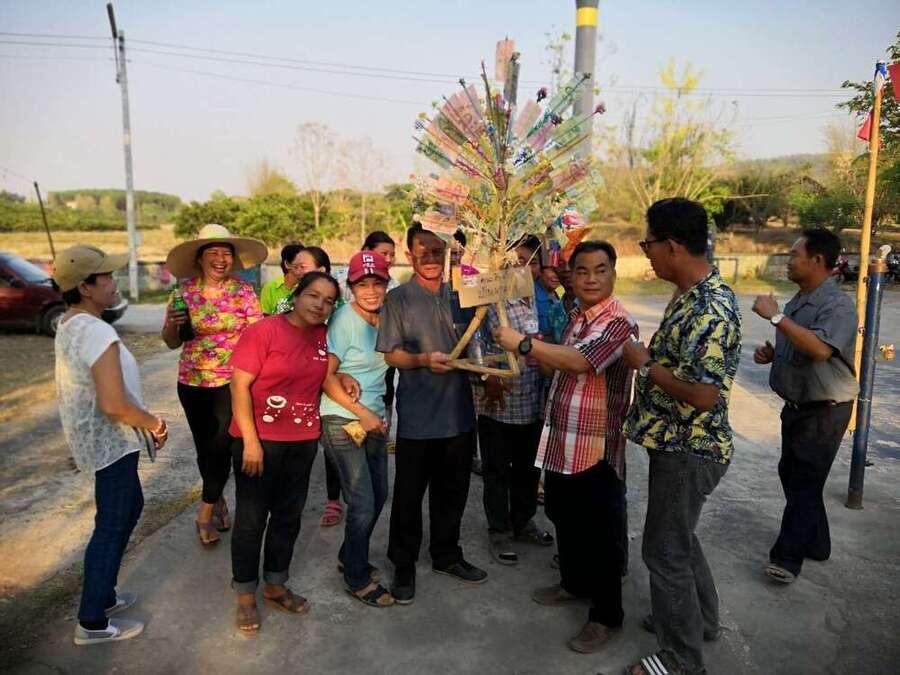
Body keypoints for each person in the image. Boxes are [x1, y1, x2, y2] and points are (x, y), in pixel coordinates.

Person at [495, 240, 636, 654]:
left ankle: (606, 617)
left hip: (595, 448)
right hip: (562, 439)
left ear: (614, 274)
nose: (591, 279)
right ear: (570, 276)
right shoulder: (577, 317)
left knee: (600, 534)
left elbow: (581, 362)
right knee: (565, 517)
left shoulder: (618, 322)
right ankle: (574, 584)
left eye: (600, 270)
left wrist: (524, 344)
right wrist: (540, 351)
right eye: (582, 271)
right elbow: (561, 362)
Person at [622, 198, 742, 675]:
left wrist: (645, 365)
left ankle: (680, 659)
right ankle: (701, 621)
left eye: (648, 244)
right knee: (678, 538)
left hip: (689, 449)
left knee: (664, 550)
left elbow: (704, 396)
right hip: (676, 444)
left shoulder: (710, 309)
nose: (647, 254)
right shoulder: (690, 295)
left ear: (671, 246)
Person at [53, 246, 169, 645]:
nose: (114, 282)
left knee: (129, 507)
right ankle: (91, 622)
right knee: (113, 523)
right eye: (107, 276)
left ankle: (104, 595)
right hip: (111, 442)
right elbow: (114, 404)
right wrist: (153, 423)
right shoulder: (96, 331)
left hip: (101, 441)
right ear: (85, 287)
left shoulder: (71, 322)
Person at [376, 224, 486, 604]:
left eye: (438, 251)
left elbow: (480, 344)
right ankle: (403, 564)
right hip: (418, 418)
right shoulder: (398, 299)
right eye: (422, 252)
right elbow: (391, 355)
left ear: (449, 253)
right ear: (410, 255)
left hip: (459, 414)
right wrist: (422, 359)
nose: (431, 258)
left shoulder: (465, 295)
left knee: (453, 491)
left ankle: (446, 554)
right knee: (408, 496)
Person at [228, 271, 340, 632]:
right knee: (251, 520)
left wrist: (345, 379)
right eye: (313, 295)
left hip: (302, 441)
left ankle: (275, 585)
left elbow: (325, 376)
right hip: (259, 441)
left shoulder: (324, 336)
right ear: (297, 295)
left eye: (328, 300)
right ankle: (245, 596)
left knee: (288, 516)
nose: (319, 305)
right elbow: (239, 387)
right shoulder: (264, 331)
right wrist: (250, 441)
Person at [751, 228, 858, 585]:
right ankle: (818, 543)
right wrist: (773, 354)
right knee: (794, 475)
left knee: (805, 481)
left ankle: (786, 558)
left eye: (795, 254)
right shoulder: (799, 301)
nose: (789, 260)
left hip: (826, 407)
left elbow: (821, 350)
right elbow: (799, 344)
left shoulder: (837, 304)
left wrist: (776, 317)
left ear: (817, 260)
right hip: (798, 403)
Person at [163, 223, 266, 547]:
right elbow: (171, 342)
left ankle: (204, 513)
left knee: (222, 446)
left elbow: (258, 336)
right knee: (204, 447)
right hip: (191, 383)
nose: (221, 259)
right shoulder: (183, 293)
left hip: (232, 383)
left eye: (226, 253)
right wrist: (173, 325)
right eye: (214, 252)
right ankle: (217, 498)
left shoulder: (243, 291)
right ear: (199, 258)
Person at [320, 250, 395, 607]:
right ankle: (356, 577)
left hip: (374, 417)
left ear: (387, 284)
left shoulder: (388, 317)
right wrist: (361, 412)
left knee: (379, 494)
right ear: (351, 287)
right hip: (341, 417)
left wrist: (375, 414)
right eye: (362, 284)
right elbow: (325, 376)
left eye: (377, 283)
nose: (371, 291)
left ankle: (348, 555)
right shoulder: (342, 320)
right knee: (362, 502)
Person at [473, 239, 553, 567]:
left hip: (534, 401)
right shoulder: (492, 299)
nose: (525, 268)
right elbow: (474, 340)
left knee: (528, 469)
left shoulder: (547, 302)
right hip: (498, 402)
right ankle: (499, 530)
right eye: (518, 261)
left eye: (532, 262)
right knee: (496, 471)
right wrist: (487, 375)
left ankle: (523, 521)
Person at [288, 245, 347, 528]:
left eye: (304, 266)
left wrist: (342, 376)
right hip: (290, 402)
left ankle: (333, 499)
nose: (297, 270)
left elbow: (338, 357)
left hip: (323, 393)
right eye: (295, 266)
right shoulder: (281, 316)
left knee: (329, 446)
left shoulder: (336, 316)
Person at [259, 243, 304, 315]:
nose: (305, 267)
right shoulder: (270, 288)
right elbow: (265, 316)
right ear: (287, 264)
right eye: (301, 264)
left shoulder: (307, 287)